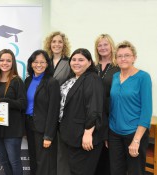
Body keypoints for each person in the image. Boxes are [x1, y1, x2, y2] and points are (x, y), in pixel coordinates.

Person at [108, 41, 152, 175]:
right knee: (116, 171)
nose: (123, 59)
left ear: (134, 57)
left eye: (127, 55)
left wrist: (136, 140)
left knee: (135, 171)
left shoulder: (143, 77)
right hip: (114, 133)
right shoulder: (115, 77)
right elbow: (113, 105)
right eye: (119, 56)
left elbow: (146, 111)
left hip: (134, 133)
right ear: (116, 59)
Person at [59, 48, 105, 175]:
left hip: (84, 136)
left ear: (90, 62)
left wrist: (88, 133)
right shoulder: (72, 79)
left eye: (81, 60)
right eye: (73, 59)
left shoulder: (92, 79)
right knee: (75, 170)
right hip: (71, 134)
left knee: (81, 171)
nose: (76, 62)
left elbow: (94, 108)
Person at [0, 49, 27, 175]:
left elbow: (22, 104)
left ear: (13, 63)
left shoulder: (17, 81)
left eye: (8, 60)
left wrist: (3, 100)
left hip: (12, 130)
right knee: (4, 161)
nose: (5, 63)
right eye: (2, 60)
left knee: (14, 162)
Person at [25, 50, 60, 175]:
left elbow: (53, 111)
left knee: (44, 163)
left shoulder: (52, 82)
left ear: (47, 64)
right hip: (29, 126)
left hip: (43, 129)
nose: (38, 65)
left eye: (42, 62)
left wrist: (48, 135)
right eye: (35, 62)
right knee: (33, 160)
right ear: (31, 64)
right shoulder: (28, 81)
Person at [44, 31, 71, 175]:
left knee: (61, 149)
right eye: (54, 41)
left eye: (60, 41)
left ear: (64, 44)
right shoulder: (44, 60)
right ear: (50, 43)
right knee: (46, 146)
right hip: (44, 109)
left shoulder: (69, 62)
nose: (57, 44)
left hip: (61, 110)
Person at [93, 34, 120, 175]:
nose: (102, 48)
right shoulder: (93, 67)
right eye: (99, 45)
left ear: (111, 46)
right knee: (96, 157)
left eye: (105, 44)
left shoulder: (118, 67)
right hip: (96, 117)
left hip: (112, 116)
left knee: (110, 157)